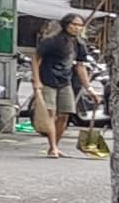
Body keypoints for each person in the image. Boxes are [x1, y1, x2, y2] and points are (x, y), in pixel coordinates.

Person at [32, 17, 88, 159]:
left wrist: (89, 87)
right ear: (66, 25)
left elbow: (80, 66)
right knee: (51, 113)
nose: (77, 28)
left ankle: (54, 146)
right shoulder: (52, 41)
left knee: (65, 114)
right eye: (74, 24)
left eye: (80, 25)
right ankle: (53, 147)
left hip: (65, 81)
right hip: (48, 79)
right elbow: (35, 58)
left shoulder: (79, 44)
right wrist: (37, 81)